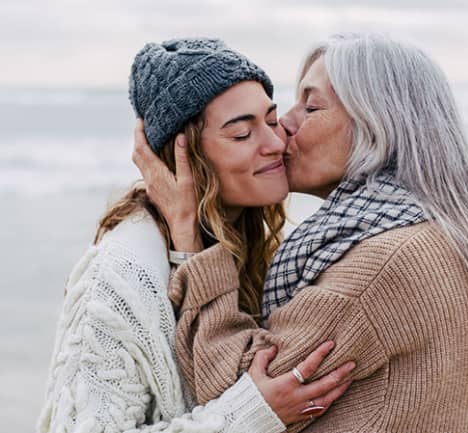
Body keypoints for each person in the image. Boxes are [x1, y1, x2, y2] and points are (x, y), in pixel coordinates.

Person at [134, 33, 468, 432]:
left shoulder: (380, 266)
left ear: (376, 126)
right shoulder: (443, 233)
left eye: (311, 106)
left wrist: (190, 240)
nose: (285, 125)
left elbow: (237, 396)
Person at [36, 38, 355, 433]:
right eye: (242, 135)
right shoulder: (122, 272)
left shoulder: (246, 243)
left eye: (272, 122)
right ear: (184, 157)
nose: (275, 145)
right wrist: (250, 415)